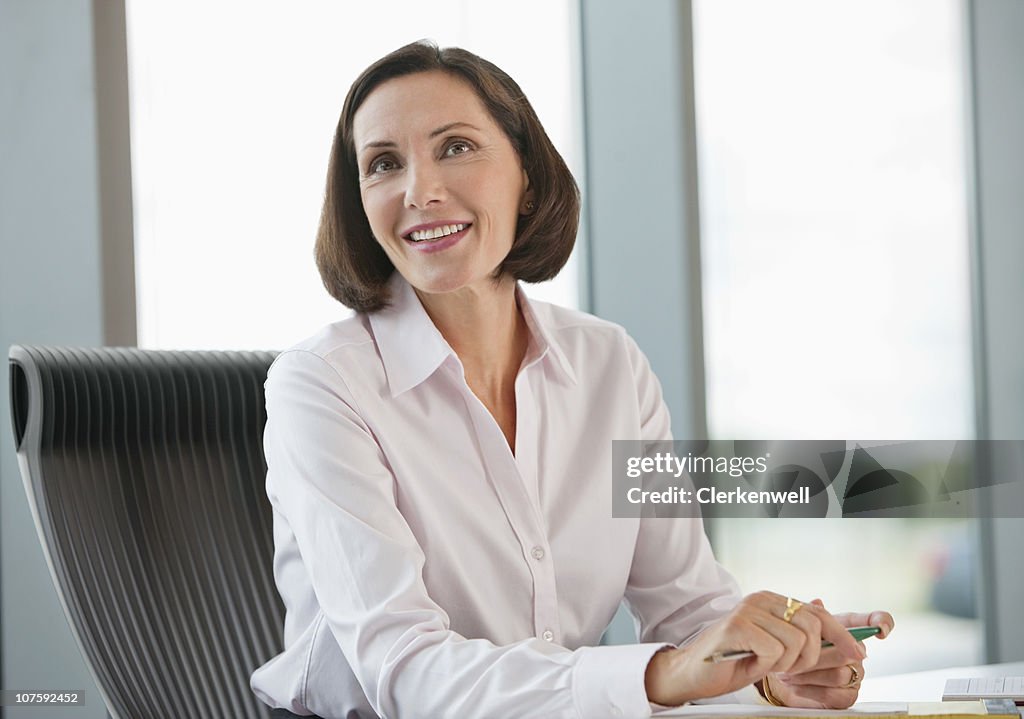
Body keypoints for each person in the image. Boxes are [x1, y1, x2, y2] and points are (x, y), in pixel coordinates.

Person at [250, 40, 894, 719]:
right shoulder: (321, 386)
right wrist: (666, 674)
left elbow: (686, 606)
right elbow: (407, 670)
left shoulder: (608, 363)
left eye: (456, 147)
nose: (420, 190)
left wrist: (770, 667)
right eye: (383, 163)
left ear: (526, 172)